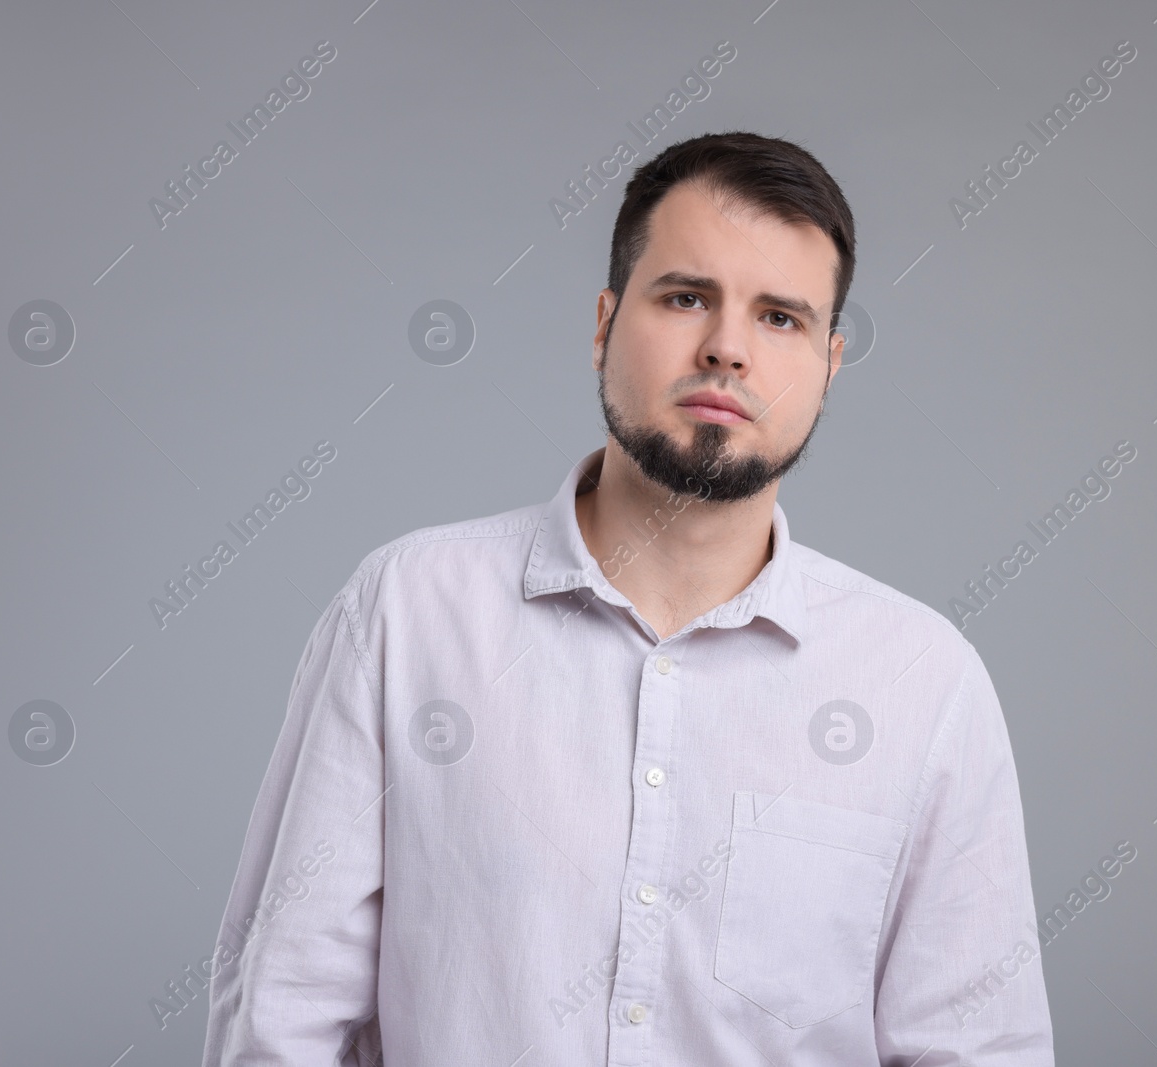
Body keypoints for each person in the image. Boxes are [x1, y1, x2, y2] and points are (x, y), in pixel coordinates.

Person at [202, 130, 1053, 1065]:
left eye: (780, 318)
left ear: (828, 365)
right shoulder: (408, 615)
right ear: (604, 322)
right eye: (687, 297)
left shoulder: (922, 683)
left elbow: (975, 1050)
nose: (727, 348)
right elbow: (278, 1022)